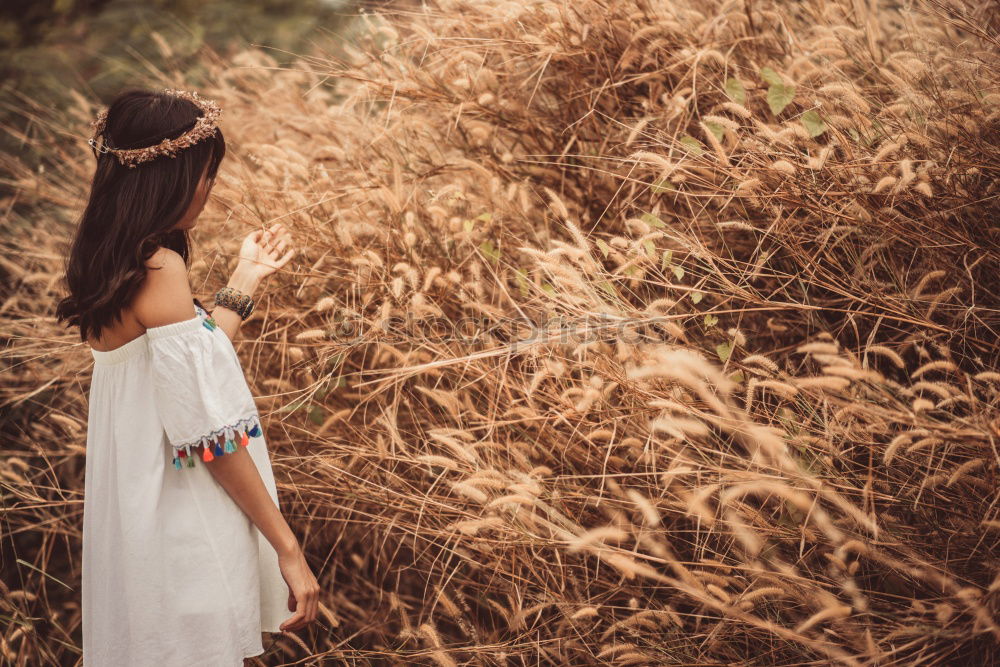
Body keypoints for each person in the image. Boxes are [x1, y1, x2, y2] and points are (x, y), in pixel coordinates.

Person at [55, 88, 320, 666]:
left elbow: (189, 368)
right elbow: (211, 438)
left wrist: (246, 278)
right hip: (184, 518)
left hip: (144, 518)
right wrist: (288, 547)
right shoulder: (160, 267)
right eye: (205, 173)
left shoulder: (110, 259)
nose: (210, 187)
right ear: (169, 179)